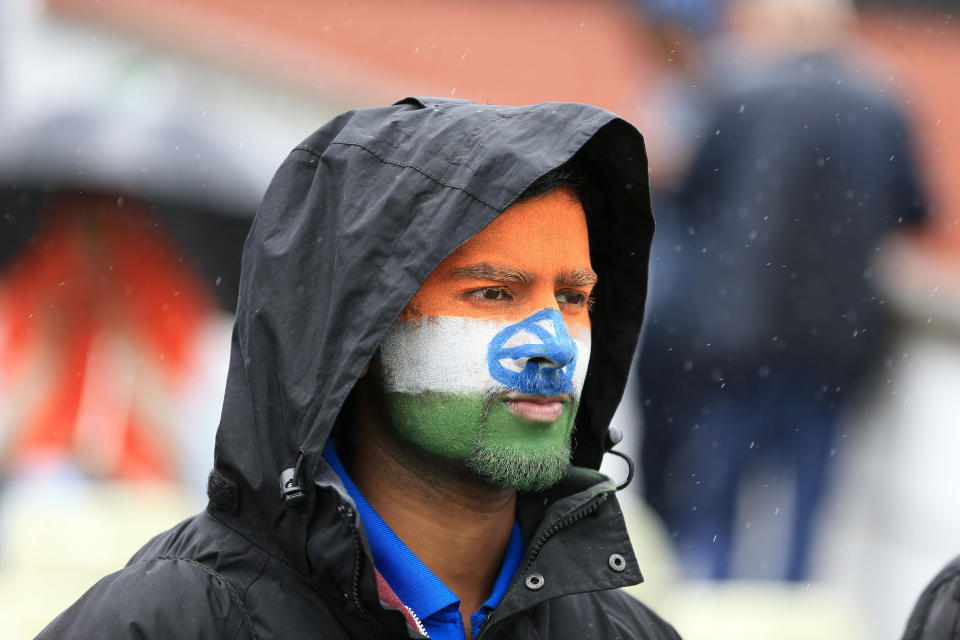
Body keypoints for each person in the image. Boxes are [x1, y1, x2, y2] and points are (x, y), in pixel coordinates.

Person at [38, 97, 680, 639]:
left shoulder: (625, 633)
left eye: (573, 299)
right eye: (492, 293)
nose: (556, 345)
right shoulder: (170, 624)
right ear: (359, 331)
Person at [637, 0, 928, 581]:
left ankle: (708, 609)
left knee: (715, 499)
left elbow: (686, 196)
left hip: (735, 332)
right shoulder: (882, 99)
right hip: (833, 338)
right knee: (806, 508)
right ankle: (791, 609)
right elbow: (915, 208)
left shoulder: (737, 87)